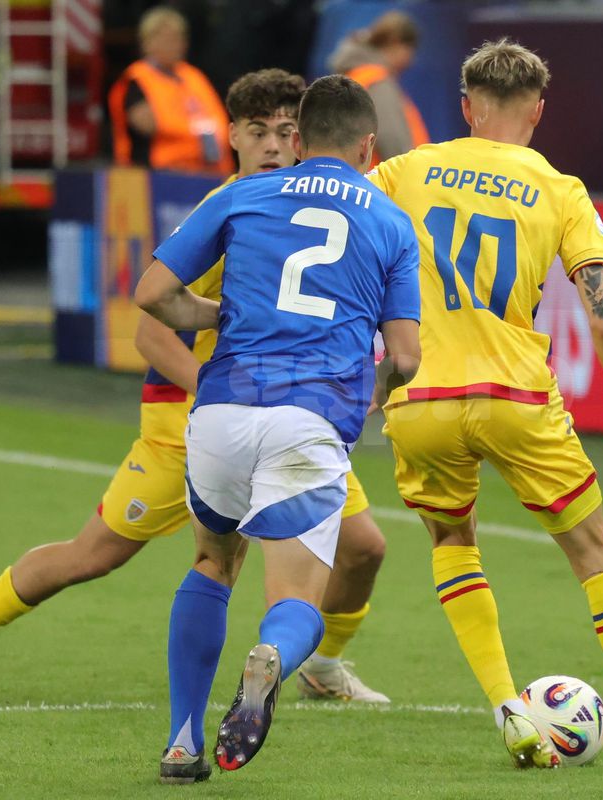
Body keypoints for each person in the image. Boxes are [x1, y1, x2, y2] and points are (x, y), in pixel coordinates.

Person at [0, 69, 392, 708]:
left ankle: (320, 664)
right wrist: (218, 382)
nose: (270, 144)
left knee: (365, 546)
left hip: (287, 415)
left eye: (285, 131)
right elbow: (151, 332)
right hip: (189, 424)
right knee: (91, 556)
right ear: (231, 135)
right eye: (257, 131)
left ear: (304, 139)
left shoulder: (309, 213)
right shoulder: (230, 211)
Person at [369, 39, 603, 774]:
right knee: (593, 552)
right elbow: (601, 315)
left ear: (465, 108)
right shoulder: (560, 188)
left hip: (422, 396)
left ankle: (508, 709)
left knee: (452, 543)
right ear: (537, 109)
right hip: (516, 396)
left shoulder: (403, 171)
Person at [135, 75, 421, 782]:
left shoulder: (240, 195)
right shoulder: (387, 220)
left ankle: (180, 741)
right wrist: (377, 392)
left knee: (212, 563)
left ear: (297, 138)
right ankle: (270, 660)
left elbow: (150, 295)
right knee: (293, 601)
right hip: (308, 418)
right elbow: (408, 354)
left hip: (221, 413)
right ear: (367, 144)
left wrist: (218, 317)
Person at [108, 6, 233, 173]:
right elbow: (146, 125)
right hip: (157, 176)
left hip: (209, 172)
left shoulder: (193, 76)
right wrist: (188, 132)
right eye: (165, 38)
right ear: (147, 42)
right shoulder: (137, 80)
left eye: (177, 38)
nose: (172, 45)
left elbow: (218, 119)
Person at [330, 10, 428, 166]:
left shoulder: (356, 76)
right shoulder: (376, 81)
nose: (410, 61)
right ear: (395, 43)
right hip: (382, 183)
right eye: (409, 50)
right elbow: (392, 140)